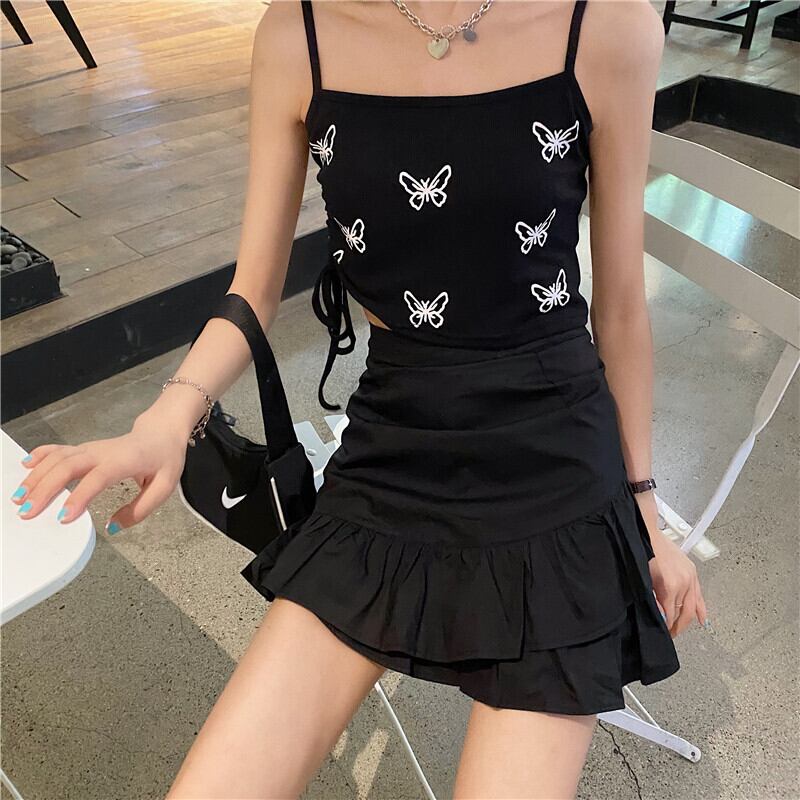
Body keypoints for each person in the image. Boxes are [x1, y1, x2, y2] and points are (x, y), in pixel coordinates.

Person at [11, 1, 709, 797]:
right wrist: (165, 420)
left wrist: (643, 511)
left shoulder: (606, 24)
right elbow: (255, 287)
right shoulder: (299, 34)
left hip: (554, 464)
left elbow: (620, 309)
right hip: (392, 456)